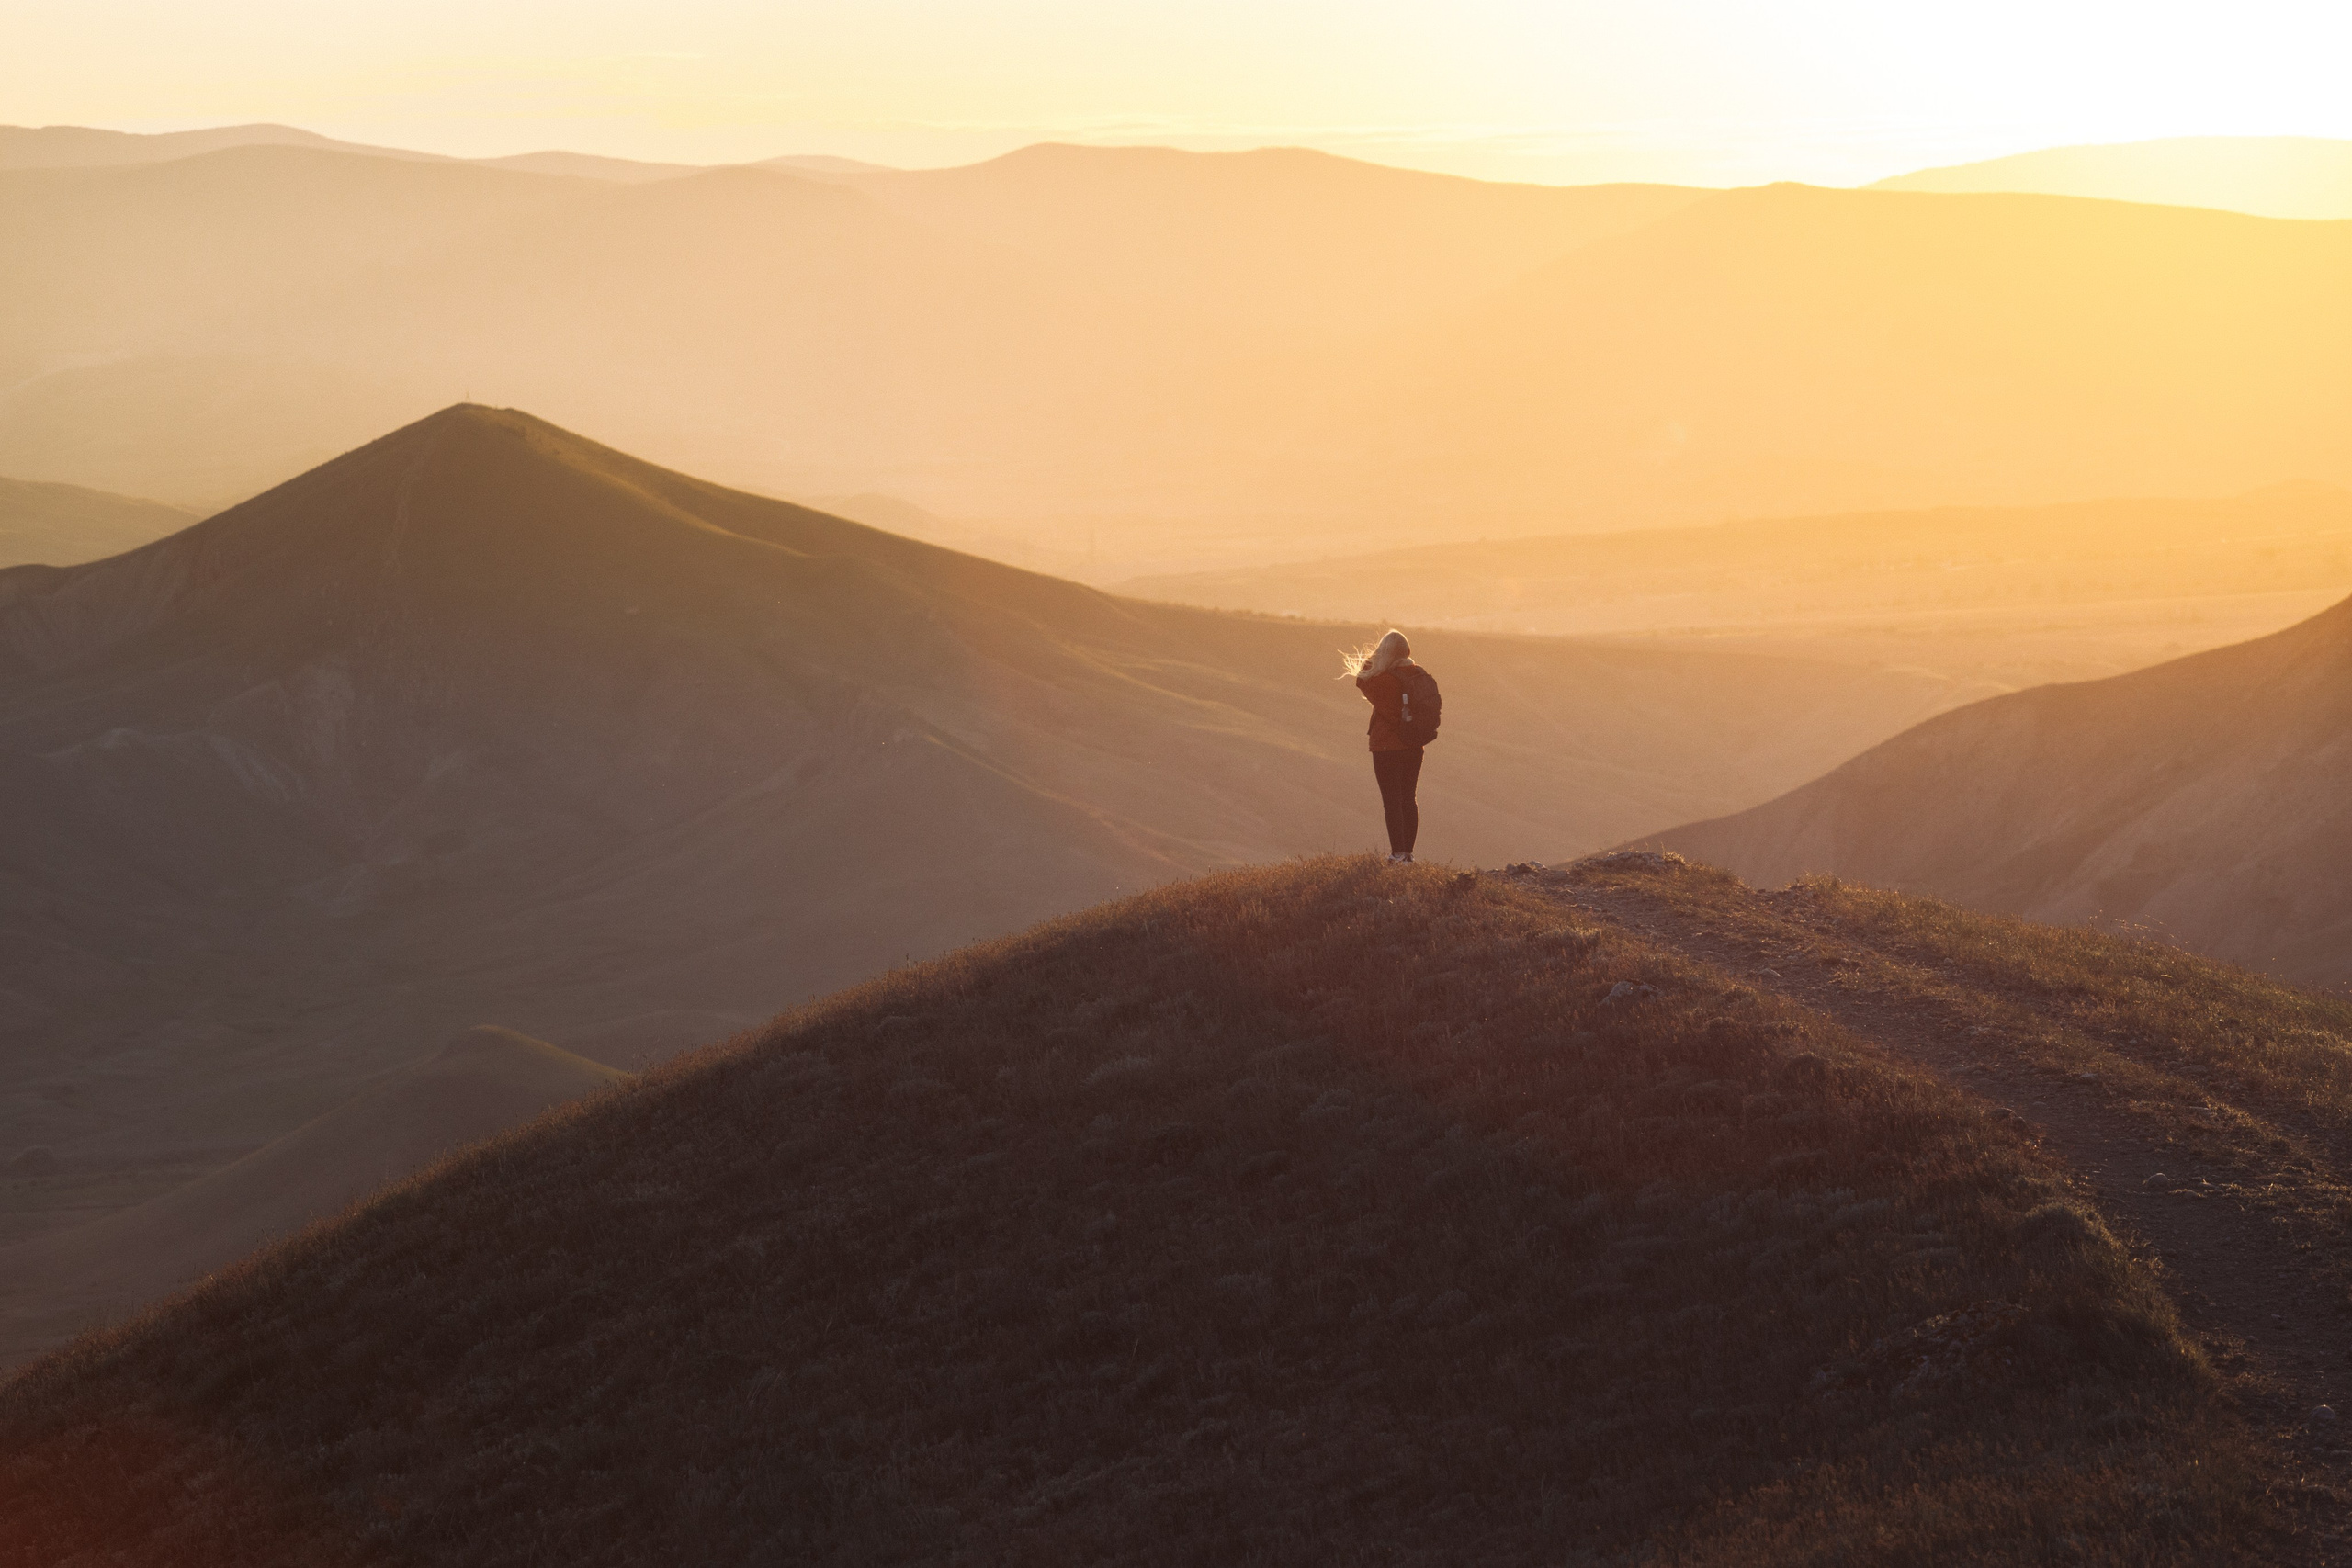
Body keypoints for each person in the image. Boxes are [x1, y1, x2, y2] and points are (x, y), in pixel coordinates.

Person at [1343, 628, 1434, 864]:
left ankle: (1397, 854)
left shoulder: (1383, 680)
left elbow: (1361, 678)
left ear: (1386, 652)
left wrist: (1377, 657)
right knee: (1408, 798)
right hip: (1414, 746)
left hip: (1387, 749)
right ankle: (1409, 854)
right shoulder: (1417, 674)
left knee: (1392, 801)